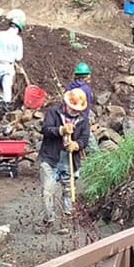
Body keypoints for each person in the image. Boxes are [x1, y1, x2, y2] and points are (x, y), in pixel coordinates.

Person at [37, 88, 91, 226]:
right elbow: (45, 129)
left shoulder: (83, 120)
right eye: (73, 108)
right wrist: (60, 130)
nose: (75, 111)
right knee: (47, 191)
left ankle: (67, 219)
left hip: (69, 159)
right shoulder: (54, 112)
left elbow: (85, 138)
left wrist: (77, 145)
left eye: (78, 109)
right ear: (67, 104)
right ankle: (49, 219)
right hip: (51, 157)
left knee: (69, 190)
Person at [0, 9, 26, 116]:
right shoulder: (18, 39)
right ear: (19, 29)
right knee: (7, 87)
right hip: (9, 66)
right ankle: (5, 108)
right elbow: (19, 57)